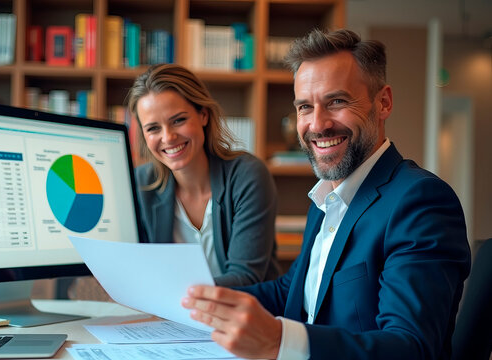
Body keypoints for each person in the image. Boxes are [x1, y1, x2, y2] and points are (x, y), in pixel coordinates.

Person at [182, 29, 471, 360]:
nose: (317, 124)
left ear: (384, 102)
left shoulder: (421, 201)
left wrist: (280, 340)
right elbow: (292, 291)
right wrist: (186, 297)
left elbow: (410, 348)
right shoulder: (326, 199)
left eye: (337, 101)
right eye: (305, 106)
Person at [127, 63, 280, 287]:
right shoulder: (140, 184)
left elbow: (245, 278)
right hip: (171, 318)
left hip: (244, 314)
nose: (168, 137)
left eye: (178, 120)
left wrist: (166, 295)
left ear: (203, 115)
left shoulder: (247, 175)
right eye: (153, 128)